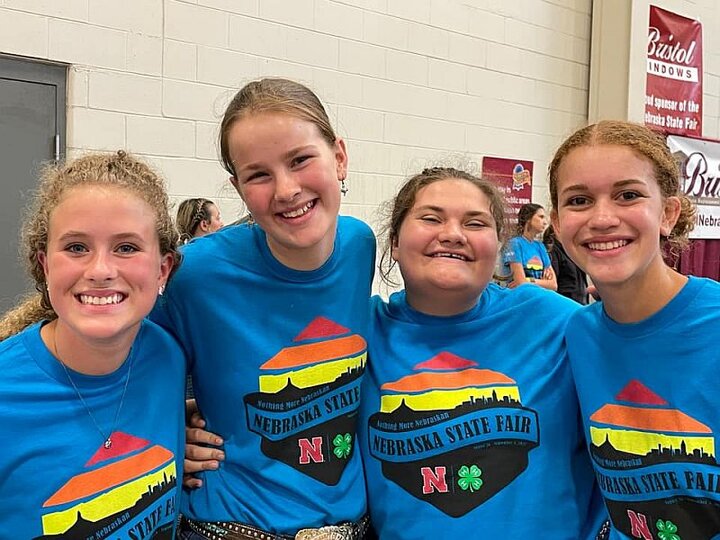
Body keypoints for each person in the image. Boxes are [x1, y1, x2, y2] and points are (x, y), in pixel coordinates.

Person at [150, 78, 376, 539]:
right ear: (238, 187)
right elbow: (120, 367)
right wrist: (167, 431)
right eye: (259, 174)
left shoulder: (360, 245)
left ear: (339, 157)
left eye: (300, 160)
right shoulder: (197, 274)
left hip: (354, 524)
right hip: (229, 525)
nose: (287, 189)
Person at [357, 166, 605, 538]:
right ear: (394, 241)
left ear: (499, 247)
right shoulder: (360, 332)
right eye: (430, 218)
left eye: (475, 223)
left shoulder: (554, 321)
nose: (453, 234)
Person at [0, 151, 186, 538]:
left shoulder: (166, 357)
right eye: (77, 248)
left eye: (126, 248)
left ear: (162, 269)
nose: (100, 270)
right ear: (46, 265)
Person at [549, 120, 720, 540]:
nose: (603, 218)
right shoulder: (577, 334)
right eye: (579, 200)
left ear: (668, 213)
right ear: (557, 224)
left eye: (628, 195)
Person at [502, 203, 557, 289]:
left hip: (537, 297)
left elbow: (553, 285)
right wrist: (543, 282)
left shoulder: (540, 246)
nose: (545, 222)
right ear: (528, 218)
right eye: (541, 217)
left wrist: (528, 280)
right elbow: (520, 283)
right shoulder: (514, 244)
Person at [543, 226, 589, 304]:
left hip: (578, 304)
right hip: (565, 303)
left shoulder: (571, 251)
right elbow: (552, 285)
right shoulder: (553, 251)